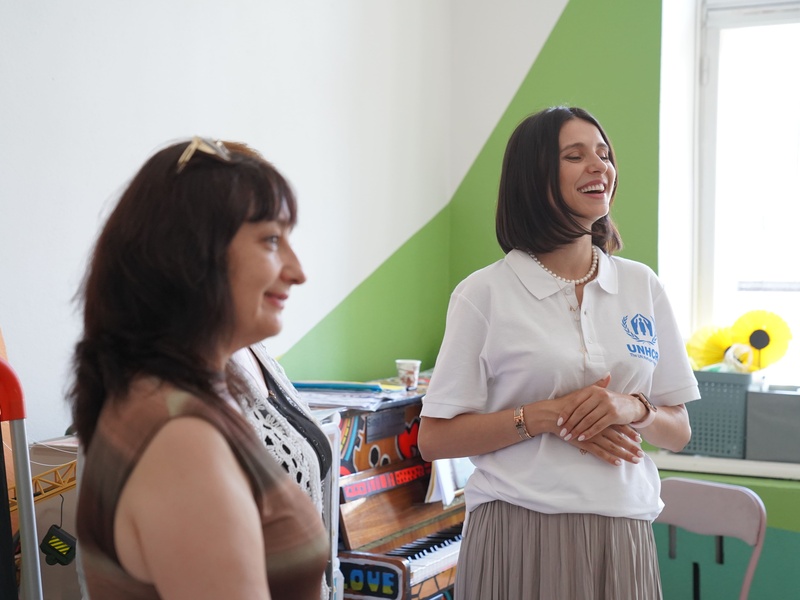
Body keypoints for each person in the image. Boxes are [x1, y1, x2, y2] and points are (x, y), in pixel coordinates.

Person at [418, 106, 699, 599]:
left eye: (604, 154)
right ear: (535, 177)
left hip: (623, 529)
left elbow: (677, 432)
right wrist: (547, 417)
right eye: (575, 156)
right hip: (518, 530)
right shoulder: (484, 293)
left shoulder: (641, 285)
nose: (600, 166)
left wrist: (630, 407)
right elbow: (434, 440)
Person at [70, 137, 329, 600]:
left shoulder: (173, 394)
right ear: (194, 255)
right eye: (272, 240)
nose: (297, 270)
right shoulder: (181, 441)